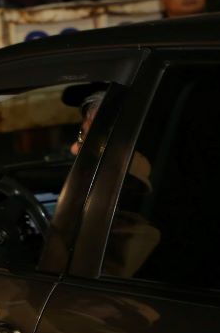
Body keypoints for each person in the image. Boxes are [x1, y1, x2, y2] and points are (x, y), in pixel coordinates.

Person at [62, 83, 158, 278]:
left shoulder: (130, 231)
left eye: (85, 139)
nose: (73, 148)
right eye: (80, 135)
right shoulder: (114, 206)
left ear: (119, 148)